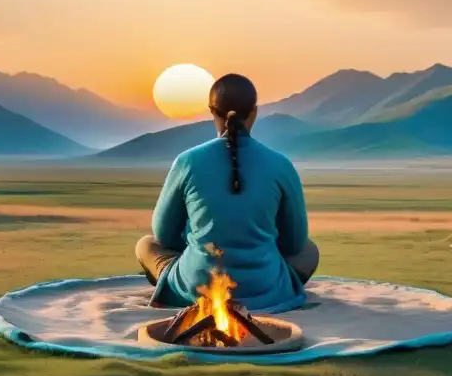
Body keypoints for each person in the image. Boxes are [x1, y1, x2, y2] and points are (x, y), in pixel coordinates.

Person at [135, 73, 319, 312]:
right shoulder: (281, 164)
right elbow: (295, 243)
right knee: (310, 250)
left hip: (196, 286)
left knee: (146, 245)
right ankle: (274, 289)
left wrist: (202, 239)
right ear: (254, 112)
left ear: (212, 112)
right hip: (264, 290)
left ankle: (179, 292)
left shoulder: (187, 161)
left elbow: (163, 235)